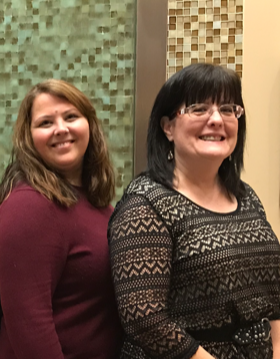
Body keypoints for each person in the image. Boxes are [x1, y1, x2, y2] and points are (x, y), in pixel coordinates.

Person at [108, 63, 280, 359]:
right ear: (168, 127)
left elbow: (273, 296)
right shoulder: (145, 204)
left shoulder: (246, 196)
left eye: (228, 109)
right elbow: (144, 319)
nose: (217, 119)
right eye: (199, 109)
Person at [0, 79, 123, 359]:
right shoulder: (28, 206)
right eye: (45, 122)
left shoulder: (93, 201)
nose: (61, 129)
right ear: (29, 138)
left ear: (90, 125)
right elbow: (30, 324)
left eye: (71, 117)